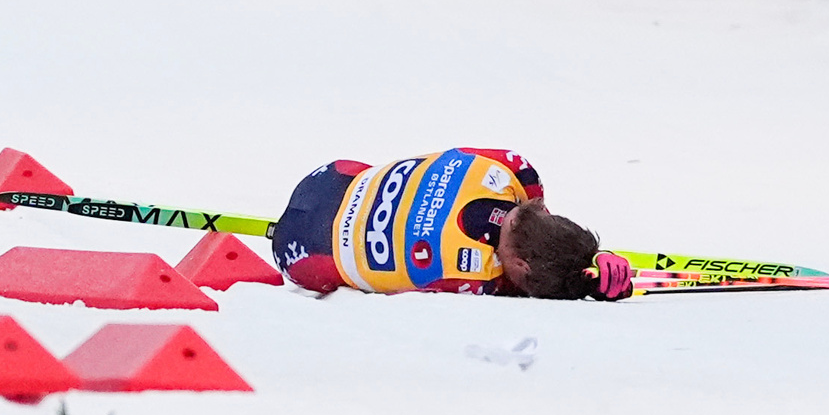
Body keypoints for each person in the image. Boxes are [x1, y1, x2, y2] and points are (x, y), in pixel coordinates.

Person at [271, 148, 633, 301]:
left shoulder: (514, 171)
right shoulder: (476, 275)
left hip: (331, 177)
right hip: (304, 255)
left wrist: (582, 257)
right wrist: (587, 287)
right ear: (520, 265)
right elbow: (523, 295)